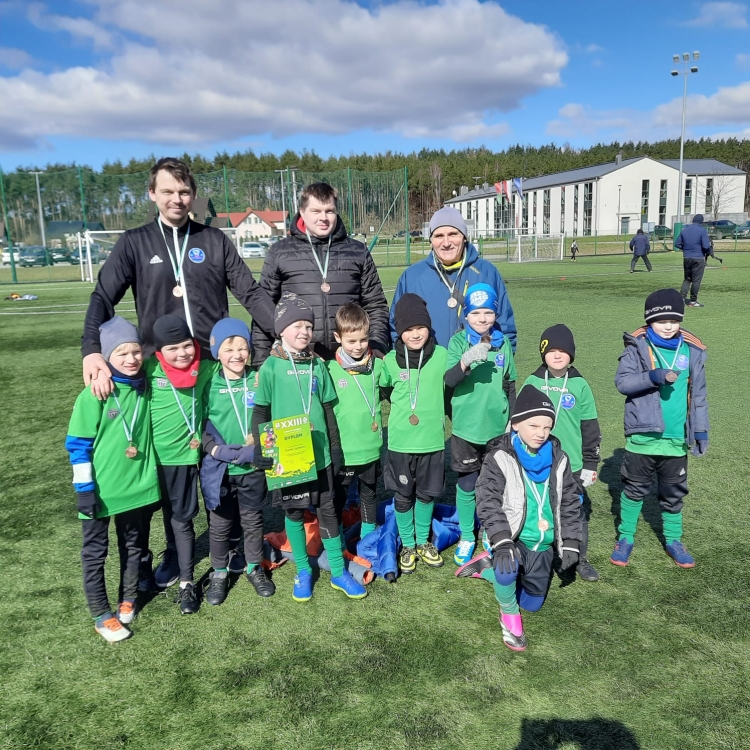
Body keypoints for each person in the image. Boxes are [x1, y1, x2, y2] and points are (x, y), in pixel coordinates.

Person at [81, 157, 275, 399]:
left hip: (214, 364)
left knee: (226, 435)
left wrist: (283, 330)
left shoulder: (214, 240)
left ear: (193, 194)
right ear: (152, 193)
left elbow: (250, 293)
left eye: (184, 192)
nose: (176, 199)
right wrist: (91, 350)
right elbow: (102, 297)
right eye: (167, 191)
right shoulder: (134, 242)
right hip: (160, 366)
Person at [250, 292, 367, 601]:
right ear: (281, 330)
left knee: (329, 512)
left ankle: (339, 573)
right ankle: (304, 570)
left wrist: (336, 449)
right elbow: (260, 412)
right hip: (289, 459)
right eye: (297, 326)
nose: (304, 332)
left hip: (321, 456)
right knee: (296, 513)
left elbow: (328, 409)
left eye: (308, 326)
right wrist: (263, 450)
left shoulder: (318, 365)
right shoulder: (270, 368)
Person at [461, 385, 582, 652]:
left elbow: (571, 503)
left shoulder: (560, 460)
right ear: (515, 424)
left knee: (532, 604)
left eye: (547, 427)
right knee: (508, 570)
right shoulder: (498, 458)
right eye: (533, 425)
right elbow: (488, 502)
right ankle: (508, 615)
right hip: (510, 538)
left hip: (542, 544)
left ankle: (488, 570)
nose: (541, 433)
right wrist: (502, 541)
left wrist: (571, 542)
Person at [65, 317, 160, 642]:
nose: (131, 359)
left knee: (134, 546)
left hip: (137, 489)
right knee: (95, 553)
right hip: (101, 493)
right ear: (105, 358)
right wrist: (85, 490)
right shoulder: (95, 394)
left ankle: (128, 596)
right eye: (121, 354)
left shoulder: (145, 385)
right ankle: (100, 613)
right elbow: (77, 446)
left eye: (135, 351)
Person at [611, 289, 708, 568]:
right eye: (661, 320)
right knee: (634, 489)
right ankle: (626, 538)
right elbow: (623, 383)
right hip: (642, 437)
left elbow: (699, 395)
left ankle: (674, 539)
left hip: (676, 438)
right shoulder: (637, 346)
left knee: (673, 492)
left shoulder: (692, 350)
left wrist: (700, 430)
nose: (668, 326)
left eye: (674, 320)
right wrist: (653, 376)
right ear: (649, 320)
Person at [251, 182, 390, 363]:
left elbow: (375, 305)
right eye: (316, 211)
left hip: (350, 361)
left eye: (329, 211)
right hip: (297, 360)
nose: (323, 217)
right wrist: (261, 361)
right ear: (302, 212)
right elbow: (265, 308)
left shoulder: (358, 252)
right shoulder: (280, 252)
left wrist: (376, 343)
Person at [144, 315, 216, 614]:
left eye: (187, 346)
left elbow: (236, 370)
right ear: (160, 352)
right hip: (151, 461)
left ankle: (187, 583)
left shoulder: (207, 368)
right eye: (172, 349)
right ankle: (146, 572)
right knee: (147, 519)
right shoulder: (148, 369)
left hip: (189, 457)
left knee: (182, 518)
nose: (182, 354)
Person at [201, 318, 275, 605]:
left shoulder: (258, 379)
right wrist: (216, 450)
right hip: (220, 471)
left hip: (253, 467)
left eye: (243, 347)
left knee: (253, 521)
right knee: (220, 525)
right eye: (229, 348)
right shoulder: (208, 384)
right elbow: (201, 425)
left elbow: (271, 417)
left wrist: (259, 446)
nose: (237, 355)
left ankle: (254, 567)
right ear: (217, 352)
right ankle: (219, 573)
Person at [522, 324, 602, 582]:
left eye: (563, 351)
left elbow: (590, 427)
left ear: (572, 354)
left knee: (574, 511)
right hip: (538, 459)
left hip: (572, 464)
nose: (557, 355)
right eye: (551, 350)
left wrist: (590, 462)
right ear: (543, 353)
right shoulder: (533, 382)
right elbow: (518, 421)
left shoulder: (580, 385)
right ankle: (537, 555)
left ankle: (579, 557)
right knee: (538, 509)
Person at [444, 283, 517, 565]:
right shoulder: (458, 342)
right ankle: (466, 535)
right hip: (465, 428)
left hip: (497, 428)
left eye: (488, 312)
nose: (483, 318)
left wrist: (512, 417)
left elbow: (510, 383)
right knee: (467, 484)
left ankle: (489, 530)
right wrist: (464, 361)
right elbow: (449, 381)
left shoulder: (503, 343)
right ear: (466, 316)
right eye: (476, 313)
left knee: (493, 485)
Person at [380, 293, 449, 574]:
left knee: (426, 495)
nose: (415, 334)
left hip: (432, 442)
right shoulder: (389, 361)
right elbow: (385, 389)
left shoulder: (443, 355)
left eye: (420, 327)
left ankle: (423, 542)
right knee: (403, 495)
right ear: (399, 331)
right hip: (401, 443)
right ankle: (407, 544)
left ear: (429, 328)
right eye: (408, 329)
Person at [390, 207, 516, 350]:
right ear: (430, 240)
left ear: (464, 236)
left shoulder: (487, 272)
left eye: (453, 234)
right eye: (439, 236)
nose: (446, 243)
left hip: (479, 368)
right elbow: (396, 328)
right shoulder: (412, 276)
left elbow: (505, 326)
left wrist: (500, 364)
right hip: (427, 370)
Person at [325, 303, 385, 539]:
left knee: (369, 495)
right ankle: (337, 542)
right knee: (337, 499)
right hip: (344, 450)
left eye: (363, 340)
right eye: (351, 341)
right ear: (337, 337)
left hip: (370, 448)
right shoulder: (328, 368)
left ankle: (368, 540)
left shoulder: (378, 366)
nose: (358, 346)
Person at [674, 214, 711, 307]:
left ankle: (681, 299)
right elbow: (706, 246)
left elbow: (677, 243)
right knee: (696, 281)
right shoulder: (702, 231)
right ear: (701, 221)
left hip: (686, 257)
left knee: (687, 279)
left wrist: (686, 249)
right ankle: (693, 301)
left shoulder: (684, 230)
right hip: (698, 258)